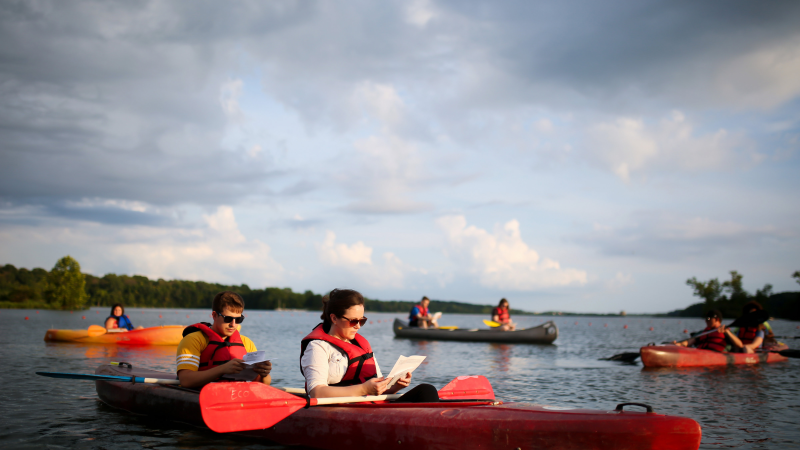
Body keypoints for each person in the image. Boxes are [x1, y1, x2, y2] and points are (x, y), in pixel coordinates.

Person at [300, 288, 414, 398]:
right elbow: (316, 393)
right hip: (337, 410)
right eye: (353, 321)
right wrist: (364, 389)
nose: (358, 326)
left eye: (362, 320)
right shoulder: (318, 347)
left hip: (369, 406)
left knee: (425, 389)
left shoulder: (361, 345)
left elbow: (378, 389)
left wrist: (396, 386)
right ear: (334, 318)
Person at [175, 291, 272, 389]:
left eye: (238, 320)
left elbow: (263, 383)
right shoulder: (194, 340)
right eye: (228, 319)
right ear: (214, 315)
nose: (233, 324)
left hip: (236, 396)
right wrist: (222, 369)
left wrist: (264, 374)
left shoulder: (247, 343)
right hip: (203, 394)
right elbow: (185, 380)